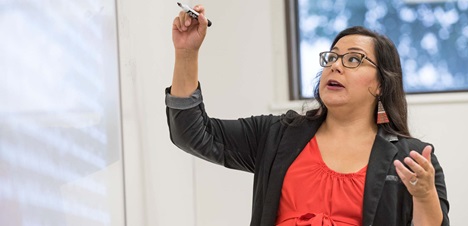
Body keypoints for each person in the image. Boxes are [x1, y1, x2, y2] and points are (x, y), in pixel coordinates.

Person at [166, 5, 449, 226]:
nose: (336, 66)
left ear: (380, 84)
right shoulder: (276, 134)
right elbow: (191, 134)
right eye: (332, 57)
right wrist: (186, 54)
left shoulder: (413, 159)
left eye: (353, 59)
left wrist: (424, 196)